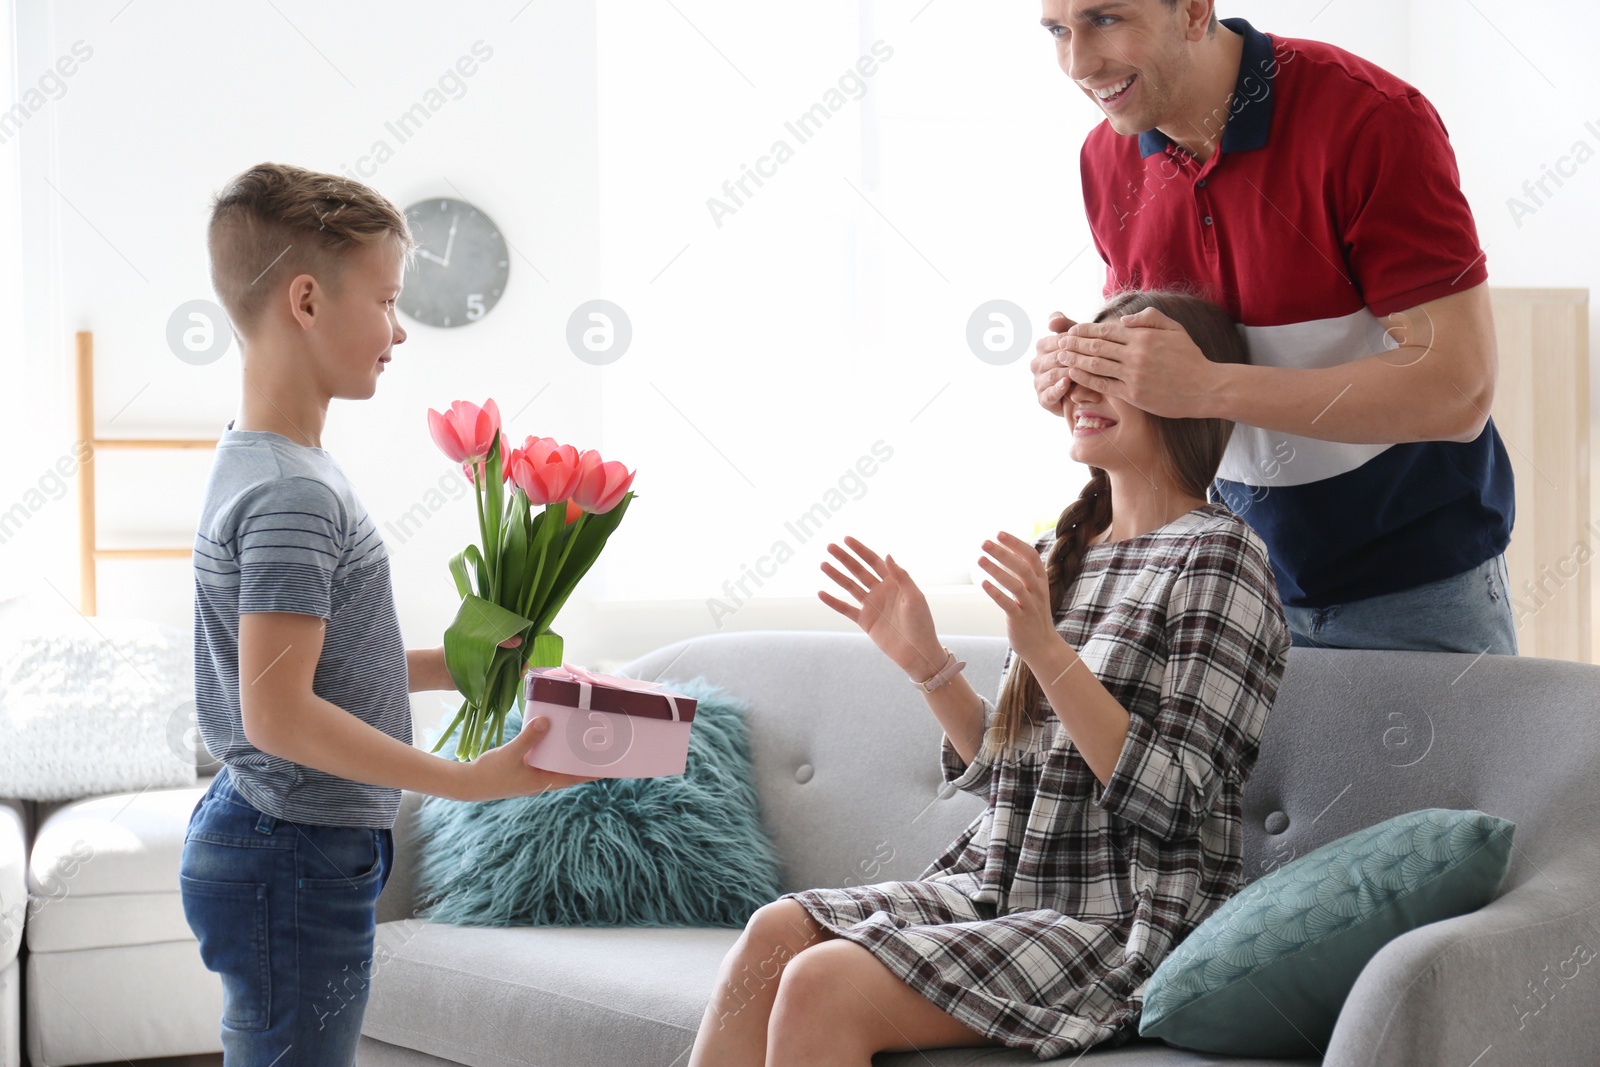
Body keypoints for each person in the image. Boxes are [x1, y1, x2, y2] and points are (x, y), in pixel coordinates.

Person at [687, 290, 1292, 1063]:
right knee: (772, 932)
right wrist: (927, 665)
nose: (1078, 392)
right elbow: (1016, 772)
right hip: (999, 884)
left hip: (1122, 917)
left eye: (1110, 369)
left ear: (1182, 391)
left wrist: (1046, 649)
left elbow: (1171, 800)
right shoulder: (1060, 552)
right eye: (1075, 369)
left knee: (822, 983)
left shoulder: (1220, 557)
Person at [182, 161, 593, 1065]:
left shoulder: (264, 460)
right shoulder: (294, 490)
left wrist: (456, 667)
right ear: (305, 300)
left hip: (273, 830)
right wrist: (467, 780)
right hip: (293, 845)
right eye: (387, 298)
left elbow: (290, 673)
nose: (399, 331)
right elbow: (278, 713)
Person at [1030, 1, 1516, 655]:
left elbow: (1458, 389)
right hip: (1233, 594)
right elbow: (1173, 409)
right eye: (1058, 30)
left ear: (1195, 11)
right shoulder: (1108, 161)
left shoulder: (1369, 121)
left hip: (1417, 586)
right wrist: (1095, 376)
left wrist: (1208, 388)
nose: (1078, 63)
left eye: (1106, 19)